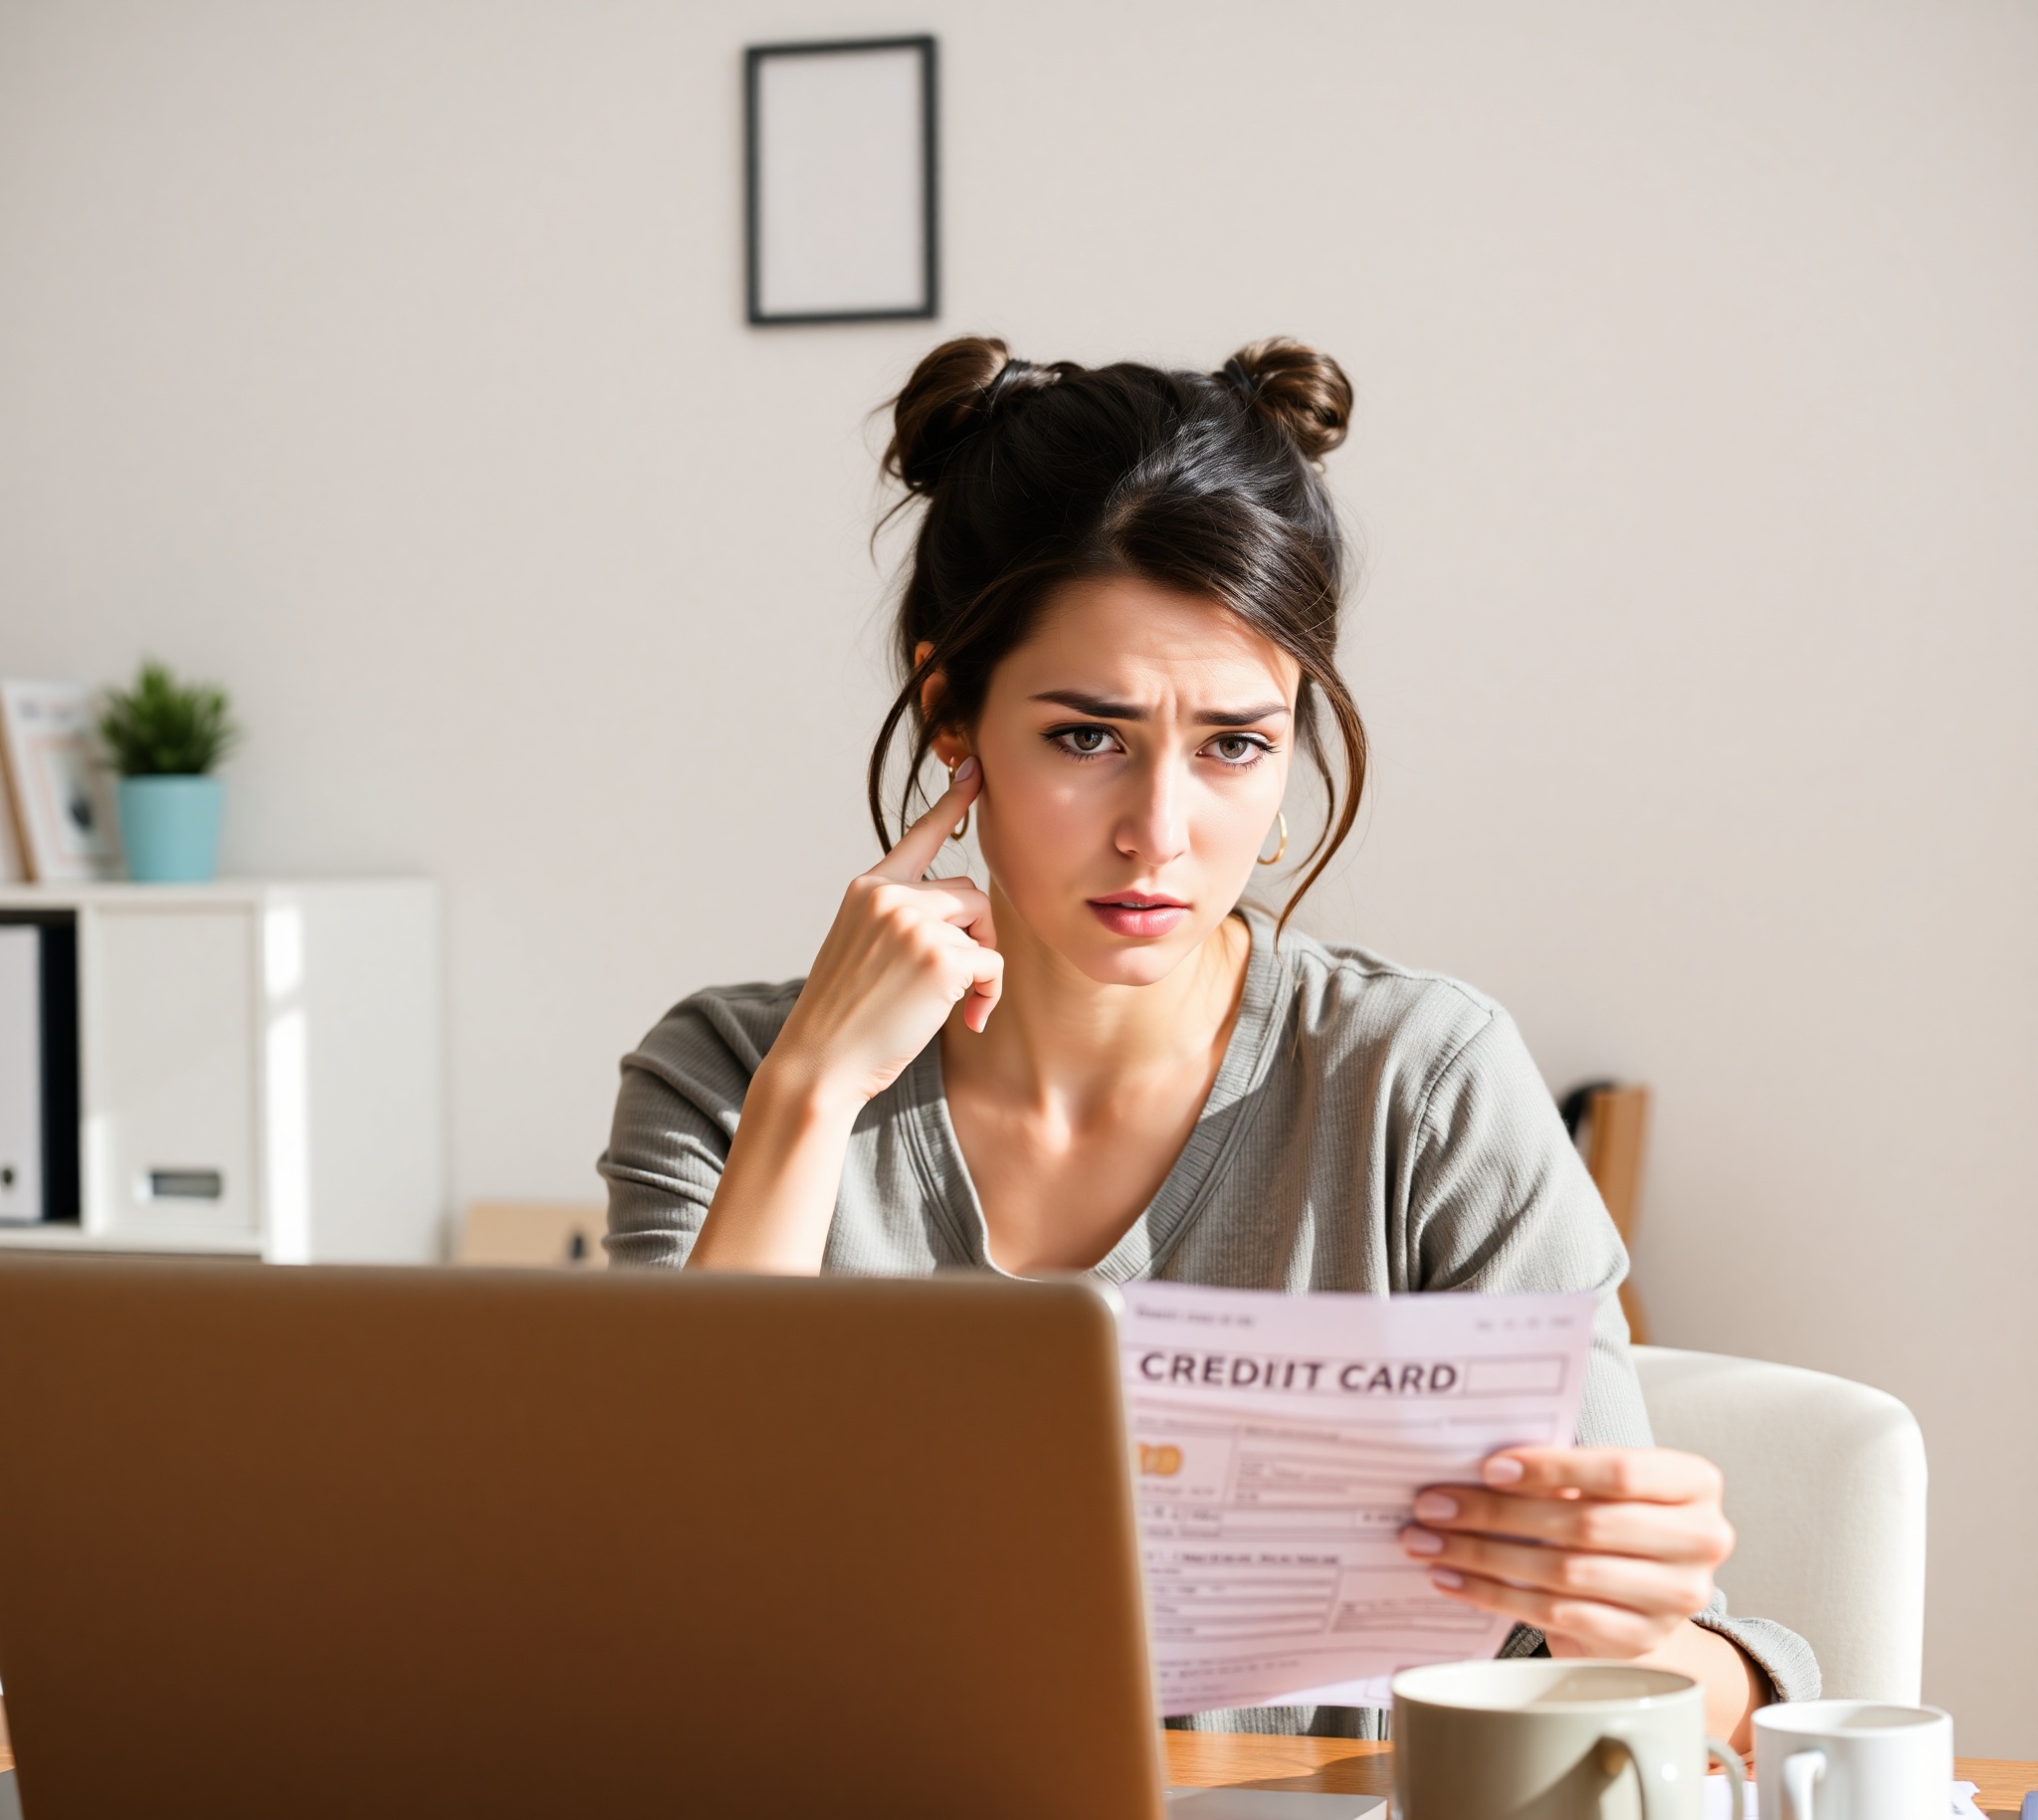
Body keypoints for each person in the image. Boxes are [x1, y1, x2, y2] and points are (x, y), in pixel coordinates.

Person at [600, 336, 1817, 1747]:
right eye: (1086, 738)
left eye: (1236, 744)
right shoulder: (727, 1080)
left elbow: (1645, 1679)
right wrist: (812, 1094)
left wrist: (1650, 1620)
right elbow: (662, 1595)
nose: (1161, 836)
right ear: (954, 717)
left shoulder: (1416, 1085)